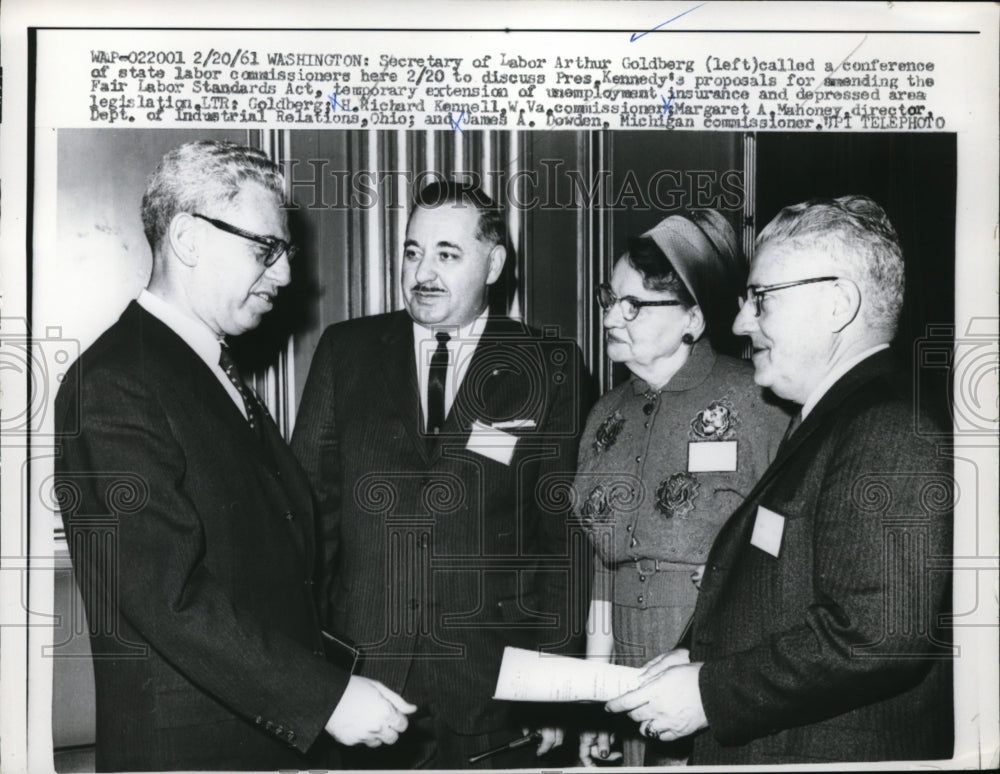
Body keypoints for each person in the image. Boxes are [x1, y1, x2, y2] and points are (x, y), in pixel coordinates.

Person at [55, 140, 413, 772]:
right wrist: (324, 699)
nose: (284, 276)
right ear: (189, 239)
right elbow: (167, 595)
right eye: (264, 250)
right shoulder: (113, 382)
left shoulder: (205, 367)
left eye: (286, 253)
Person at [606, 195, 954, 764]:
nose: (742, 321)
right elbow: (783, 595)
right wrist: (693, 657)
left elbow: (876, 636)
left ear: (838, 304)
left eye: (761, 299)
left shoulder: (890, 429)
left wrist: (709, 692)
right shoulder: (830, 418)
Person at [291, 180, 589, 769]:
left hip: (495, 688)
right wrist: (311, 678)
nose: (422, 272)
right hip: (364, 681)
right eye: (412, 251)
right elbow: (308, 519)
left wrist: (554, 685)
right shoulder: (346, 351)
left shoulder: (549, 365)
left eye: (447, 255)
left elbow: (563, 538)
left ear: (494, 263)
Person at [573, 212, 790, 767]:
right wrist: (597, 702)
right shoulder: (603, 417)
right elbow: (604, 567)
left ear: (692, 317)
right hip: (625, 660)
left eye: (635, 305)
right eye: (609, 297)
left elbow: (783, 561)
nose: (610, 316)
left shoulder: (759, 402)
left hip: (715, 673)